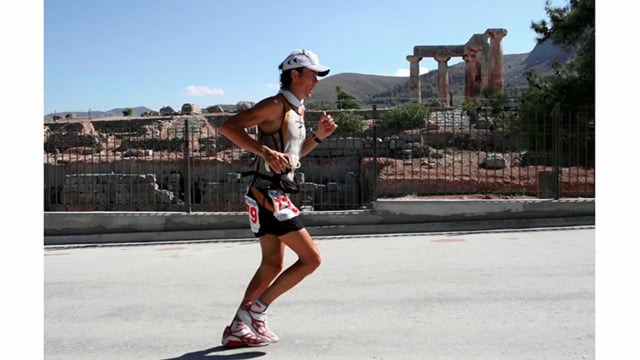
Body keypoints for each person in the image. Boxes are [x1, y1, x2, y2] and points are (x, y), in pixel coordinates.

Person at [218, 49, 338, 347]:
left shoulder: (297, 110)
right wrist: (264, 151)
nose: (315, 82)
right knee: (311, 259)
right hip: (268, 193)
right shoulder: (274, 105)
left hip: (271, 193)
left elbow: (293, 157)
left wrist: (318, 137)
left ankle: (237, 327)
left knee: (271, 265)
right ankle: (256, 310)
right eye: (311, 75)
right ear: (294, 74)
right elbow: (229, 127)